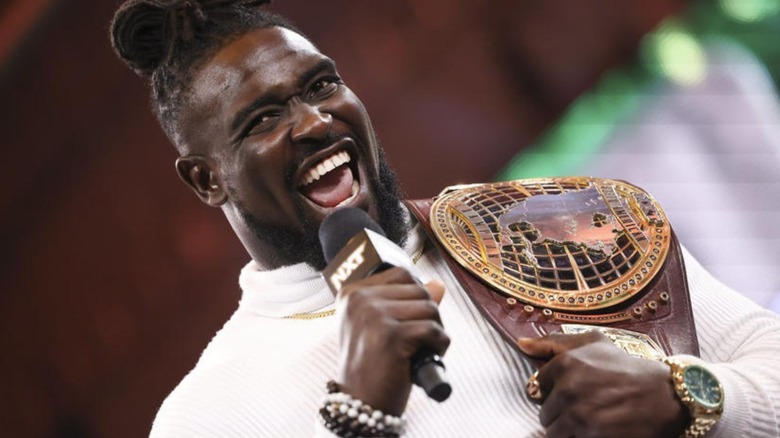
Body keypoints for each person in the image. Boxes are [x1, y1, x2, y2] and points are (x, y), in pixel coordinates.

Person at [110, 1, 780, 437]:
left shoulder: (555, 221)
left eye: (321, 86)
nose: (314, 122)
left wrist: (688, 400)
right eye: (263, 120)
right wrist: (361, 415)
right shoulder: (208, 414)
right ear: (205, 180)